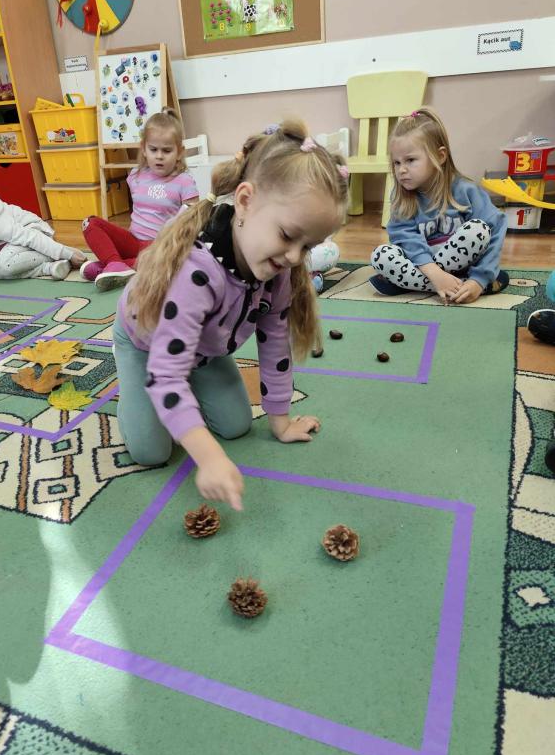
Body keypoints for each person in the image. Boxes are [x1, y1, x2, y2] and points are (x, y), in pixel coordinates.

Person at [113, 120, 348, 510]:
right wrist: (209, 458)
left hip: (205, 350)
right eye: (288, 235)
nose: (294, 256)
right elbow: (166, 374)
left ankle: (192, 375)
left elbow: (275, 345)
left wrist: (280, 422)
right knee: (152, 452)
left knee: (237, 426)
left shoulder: (278, 270)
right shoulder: (196, 273)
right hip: (145, 345)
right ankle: (133, 387)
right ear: (245, 201)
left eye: (308, 246)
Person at [369, 107, 509, 304]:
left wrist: (479, 278)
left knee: (478, 230)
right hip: (423, 266)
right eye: (396, 163)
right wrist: (435, 274)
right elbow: (404, 238)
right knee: (380, 255)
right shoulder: (402, 196)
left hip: (462, 264)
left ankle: (408, 284)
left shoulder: (466, 190)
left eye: (410, 160)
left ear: (440, 156)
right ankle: (456, 285)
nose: (401, 170)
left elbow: (495, 229)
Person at [81, 107, 199, 291]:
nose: (159, 156)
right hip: (133, 241)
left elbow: (194, 220)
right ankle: (115, 264)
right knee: (90, 223)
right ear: (144, 149)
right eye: (153, 149)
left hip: (160, 247)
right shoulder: (135, 175)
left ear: (179, 152)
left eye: (167, 150)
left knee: (163, 263)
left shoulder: (184, 181)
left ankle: (107, 266)